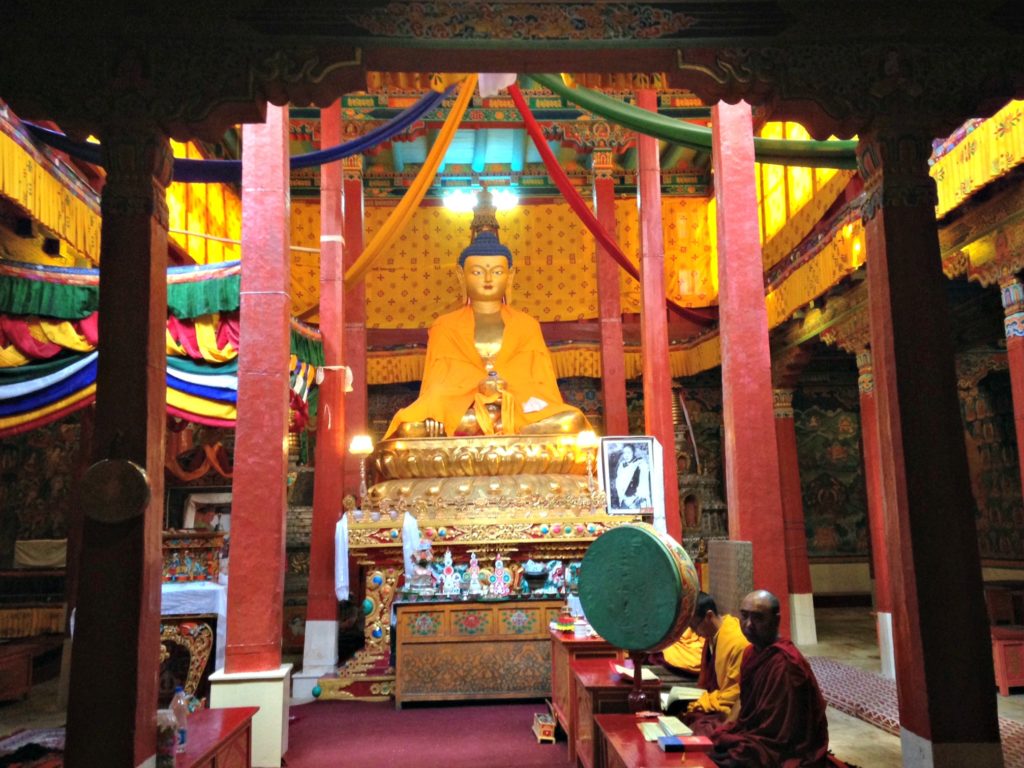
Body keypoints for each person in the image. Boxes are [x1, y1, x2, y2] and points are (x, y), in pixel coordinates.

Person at [385, 188, 588, 439]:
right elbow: (438, 386)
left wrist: (504, 392)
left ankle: (509, 430)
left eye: (497, 271)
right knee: (410, 429)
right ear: (461, 276)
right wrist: (439, 410)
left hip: (519, 408)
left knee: (572, 422)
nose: (489, 279)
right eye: (478, 272)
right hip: (463, 410)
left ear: (510, 276)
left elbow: (540, 385)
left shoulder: (526, 325)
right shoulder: (445, 325)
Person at [709, 590, 830, 768]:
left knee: (734, 758)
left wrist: (739, 739)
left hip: (783, 746)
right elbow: (744, 703)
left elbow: (779, 734)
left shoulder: (785, 664)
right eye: (744, 616)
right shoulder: (751, 653)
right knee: (708, 734)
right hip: (756, 735)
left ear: (776, 619)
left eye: (758, 618)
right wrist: (729, 727)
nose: (748, 624)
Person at [681, 591, 750, 731]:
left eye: (695, 626)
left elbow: (735, 693)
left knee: (700, 725)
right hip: (716, 699)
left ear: (709, 616)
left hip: (730, 709)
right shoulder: (713, 636)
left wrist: (704, 702)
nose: (694, 632)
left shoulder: (736, 643)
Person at [613, 443, 651, 509]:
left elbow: (644, 485)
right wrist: (624, 498)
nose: (626, 455)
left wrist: (632, 501)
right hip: (624, 499)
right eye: (624, 453)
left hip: (637, 499)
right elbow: (618, 483)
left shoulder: (641, 464)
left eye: (629, 452)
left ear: (633, 452)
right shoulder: (622, 465)